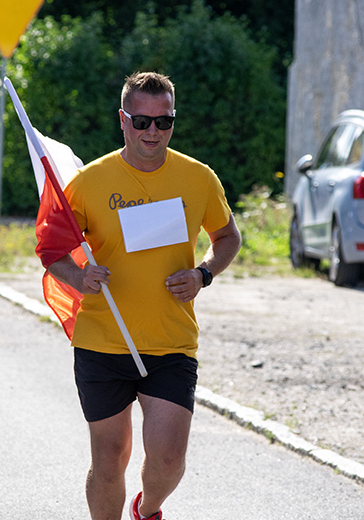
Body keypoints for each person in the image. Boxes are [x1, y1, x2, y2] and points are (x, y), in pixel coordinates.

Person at [47, 72, 241, 520]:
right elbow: (52, 248)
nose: (152, 132)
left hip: (171, 341)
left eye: (164, 121)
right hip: (103, 341)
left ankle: (147, 507)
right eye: (141, 121)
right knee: (109, 460)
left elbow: (227, 236)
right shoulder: (89, 182)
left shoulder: (198, 178)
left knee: (169, 460)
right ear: (123, 120)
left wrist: (203, 273)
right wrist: (79, 278)